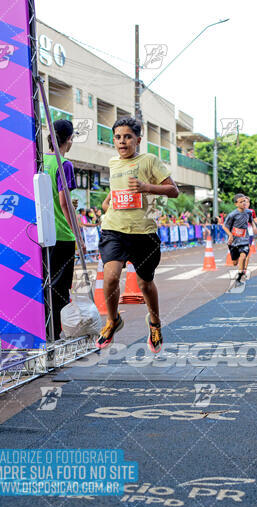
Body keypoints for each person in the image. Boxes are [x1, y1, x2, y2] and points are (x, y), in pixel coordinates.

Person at [96, 116, 179, 353]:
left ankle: (154, 322)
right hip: (114, 230)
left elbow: (173, 190)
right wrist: (109, 205)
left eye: (128, 137)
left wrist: (147, 187)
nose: (122, 141)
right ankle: (113, 320)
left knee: (145, 283)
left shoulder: (149, 161)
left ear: (138, 140)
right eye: (118, 137)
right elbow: (112, 197)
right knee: (110, 277)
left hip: (144, 233)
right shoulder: (113, 163)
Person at [44, 119, 82, 341]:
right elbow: (64, 202)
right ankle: (57, 334)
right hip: (62, 234)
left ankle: (48, 331)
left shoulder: (40, 162)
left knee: (46, 284)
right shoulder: (64, 164)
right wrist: (78, 235)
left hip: (43, 235)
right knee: (60, 288)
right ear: (70, 139)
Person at [222, 193, 257, 285]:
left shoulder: (249, 212)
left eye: (245, 201)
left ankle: (239, 277)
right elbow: (225, 226)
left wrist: (254, 227)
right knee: (234, 262)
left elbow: (251, 220)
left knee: (243, 257)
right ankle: (239, 267)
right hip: (234, 241)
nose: (244, 203)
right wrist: (230, 235)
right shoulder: (232, 215)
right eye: (241, 202)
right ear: (236, 204)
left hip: (244, 240)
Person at [244, 196, 257, 271]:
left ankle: (245, 269)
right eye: (244, 201)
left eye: (247, 202)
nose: (245, 203)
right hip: (240, 233)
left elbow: (255, 218)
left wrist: (256, 221)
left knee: (247, 250)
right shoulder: (238, 211)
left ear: (249, 203)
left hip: (249, 233)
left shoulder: (252, 211)